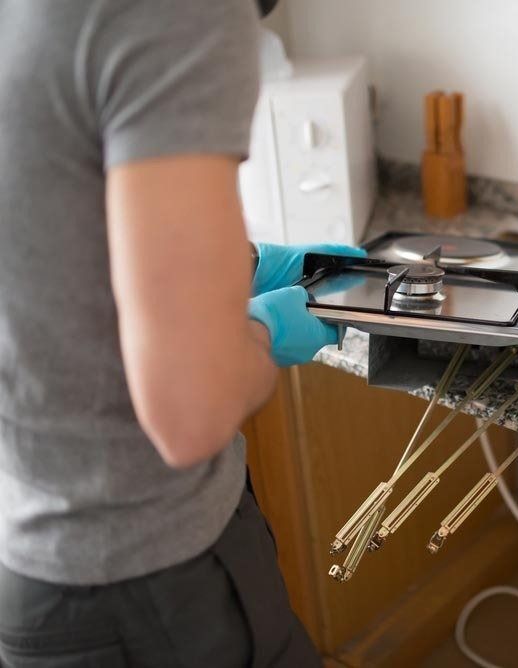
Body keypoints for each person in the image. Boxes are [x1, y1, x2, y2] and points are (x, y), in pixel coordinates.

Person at [0, 1, 358, 665]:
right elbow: (192, 410)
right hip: (155, 586)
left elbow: (48, 239)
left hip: (39, 578)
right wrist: (257, 331)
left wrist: (239, 265)